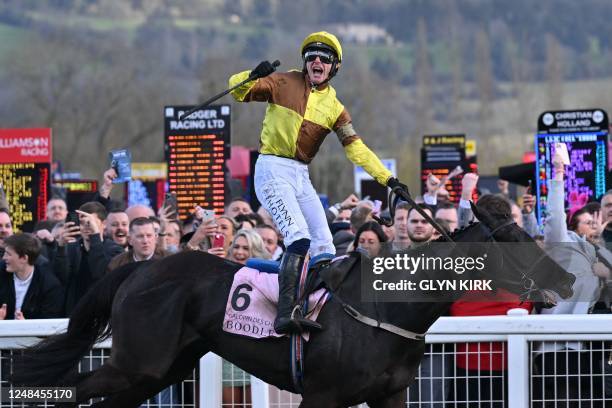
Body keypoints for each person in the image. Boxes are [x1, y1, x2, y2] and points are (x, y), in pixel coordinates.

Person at [229, 31, 407, 333]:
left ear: (334, 67)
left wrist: (388, 179)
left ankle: (315, 306)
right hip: (272, 169)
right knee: (298, 237)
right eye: (311, 56)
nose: (316, 61)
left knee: (325, 246)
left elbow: (356, 148)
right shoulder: (283, 81)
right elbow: (235, 90)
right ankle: (285, 312)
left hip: (300, 175)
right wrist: (252, 75)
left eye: (324, 58)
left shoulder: (335, 108)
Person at [53, 201, 124, 315]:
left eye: (91, 223)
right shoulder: (71, 249)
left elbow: (100, 273)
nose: (86, 227)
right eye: (82, 223)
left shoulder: (115, 250)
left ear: (103, 224)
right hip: (75, 312)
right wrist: (61, 246)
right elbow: (61, 277)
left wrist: (95, 236)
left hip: (103, 313)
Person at [0, 233, 63, 320]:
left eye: (8, 254)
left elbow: (48, 323)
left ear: (24, 258)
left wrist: (26, 326)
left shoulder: (49, 284)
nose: (4, 258)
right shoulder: (1, 272)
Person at [108, 217, 172, 271]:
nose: (145, 241)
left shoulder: (169, 260)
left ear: (155, 238)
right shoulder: (117, 264)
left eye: (149, 235)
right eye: (140, 236)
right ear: (130, 240)